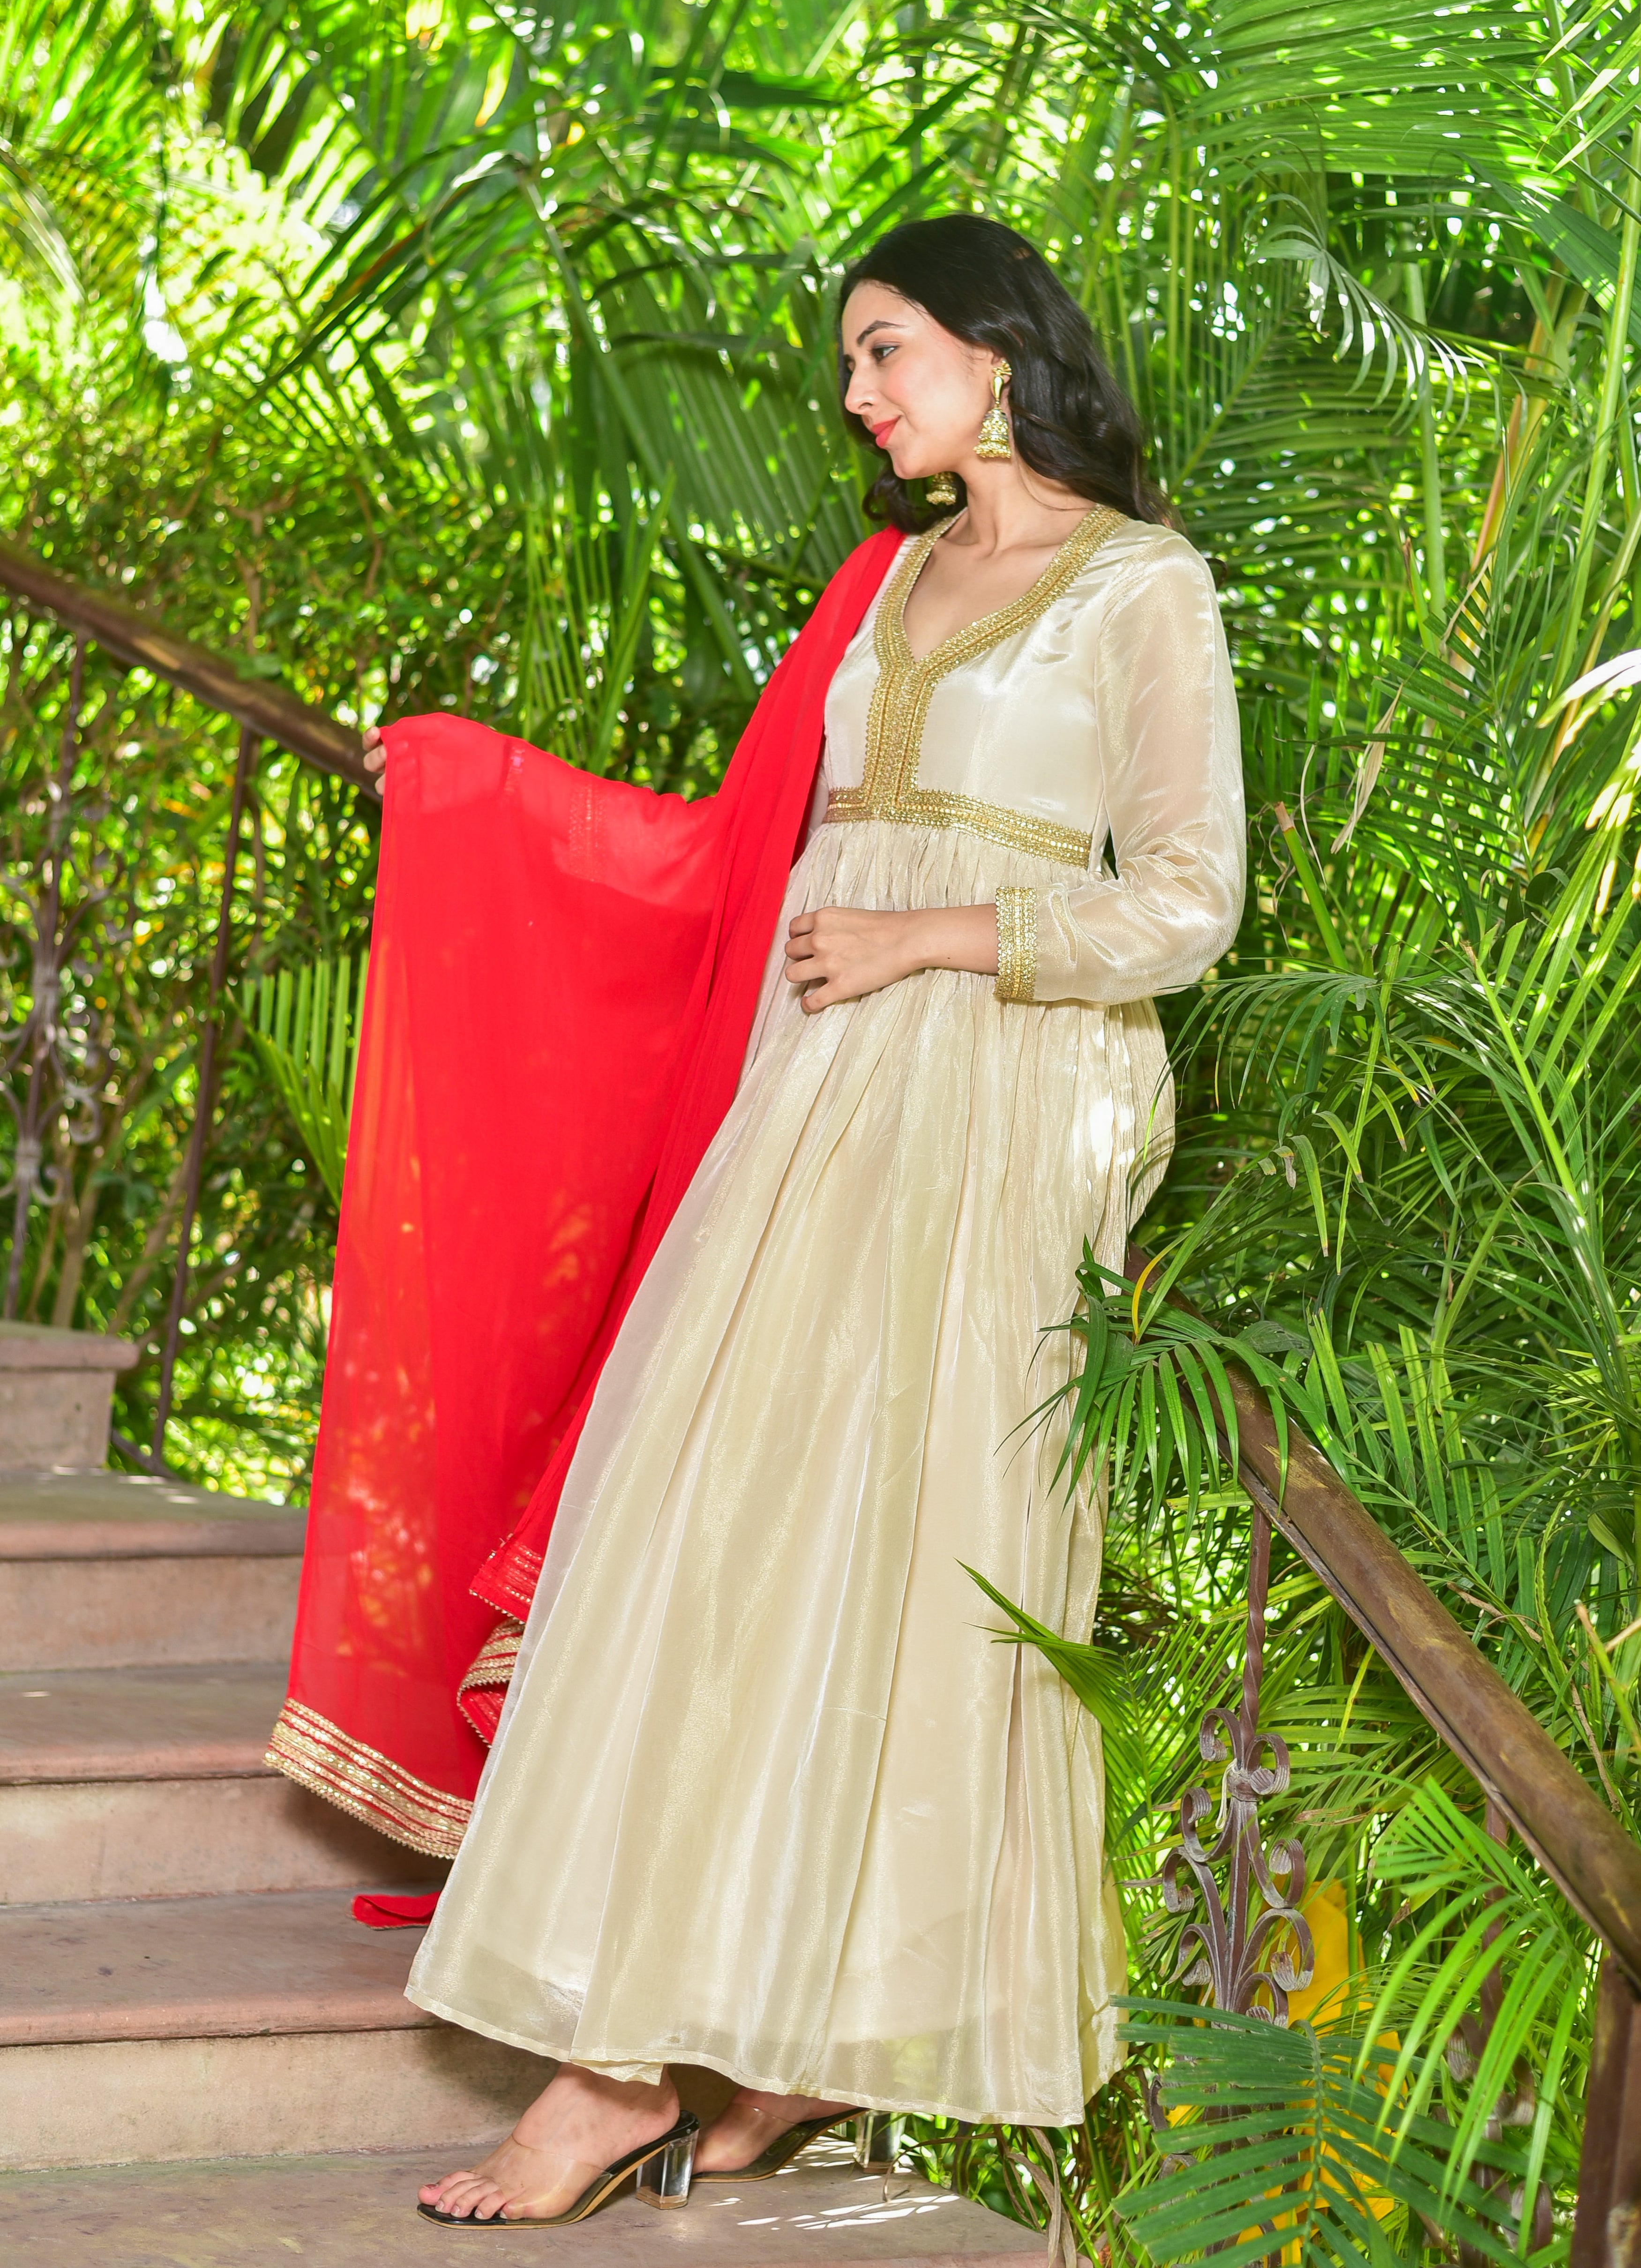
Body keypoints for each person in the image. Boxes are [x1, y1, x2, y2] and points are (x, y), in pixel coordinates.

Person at [367, 214, 1244, 2225]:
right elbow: (756, 862)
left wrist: (945, 933)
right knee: (712, 1534)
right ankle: (631, 2056)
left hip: (1022, 1099)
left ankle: (764, 2062)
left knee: (929, 1567)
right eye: (853, 367)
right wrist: (479, 802)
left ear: (999, 356)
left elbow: (1193, 903)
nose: (857, 402)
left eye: (883, 353)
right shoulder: (886, 582)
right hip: (825, 1098)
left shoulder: (1142, 585)